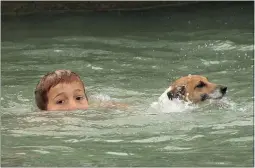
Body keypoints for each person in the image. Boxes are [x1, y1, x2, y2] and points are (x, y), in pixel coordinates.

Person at [34, 69, 127, 111]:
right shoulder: (42, 121)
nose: (74, 107)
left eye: (78, 98)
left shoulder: (95, 112)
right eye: (60, 101)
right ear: (44, 110)